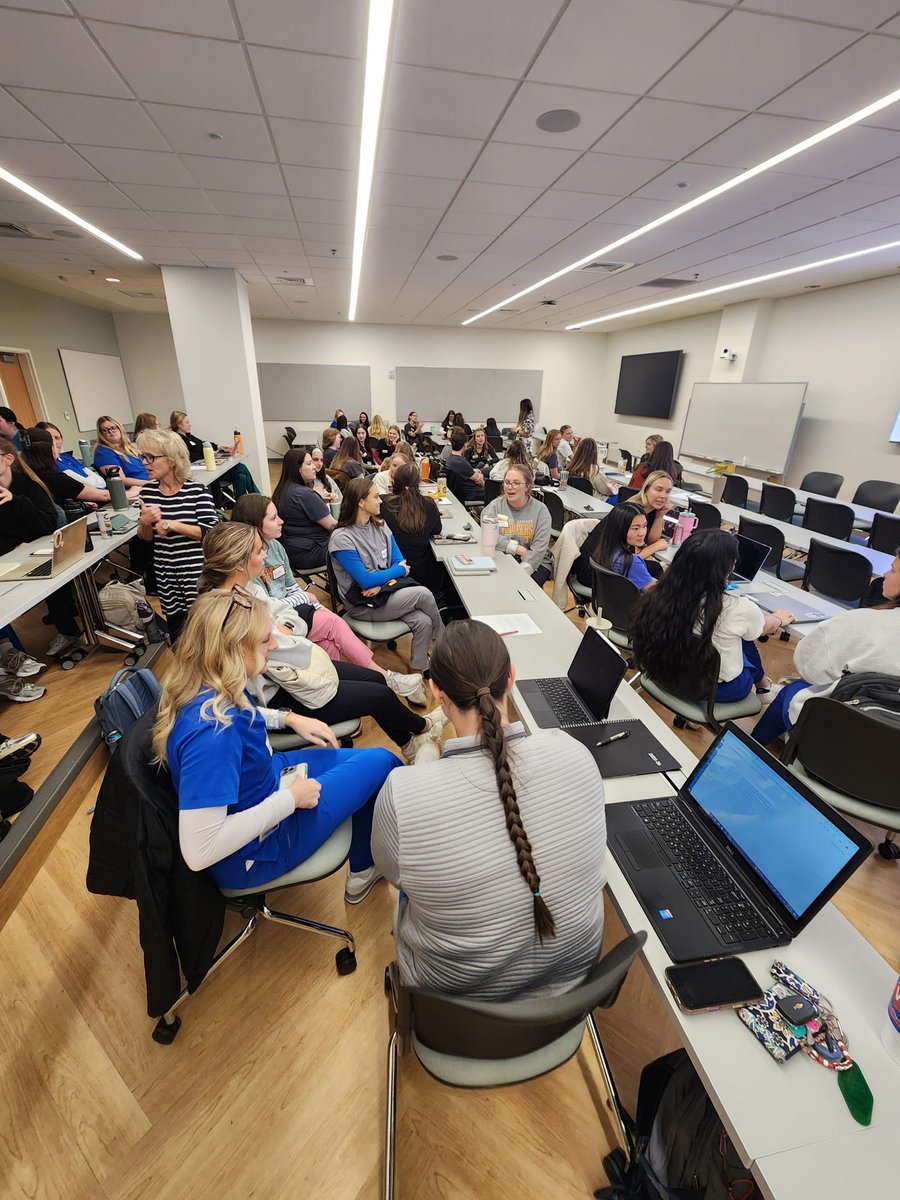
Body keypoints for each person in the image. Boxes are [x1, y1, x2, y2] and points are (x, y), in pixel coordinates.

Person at [371, 620, 607, 997]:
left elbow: (392, 873)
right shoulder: (576, 754)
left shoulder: (402, 794)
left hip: (455, 1006)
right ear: (511, 677)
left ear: (437, 691)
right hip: (571, 988)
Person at [153, 588, 401, 904]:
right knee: (382, 763)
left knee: (371, 767)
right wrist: (289, 800)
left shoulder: (209, 684)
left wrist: (288, 718)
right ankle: (369, 869)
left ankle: (364, 868)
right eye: (264, 640)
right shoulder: (213, 736)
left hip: (268, 783)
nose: (273, 645)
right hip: (257, 849)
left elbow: (245, 712)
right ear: (235, 650)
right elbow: (199, 851)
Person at [198, 523, 446, 764]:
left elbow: (290, 614)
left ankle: (409, 744)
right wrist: (284, 632)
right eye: (258, 551)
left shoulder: (249, 589)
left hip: (296, 668)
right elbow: (278, 651)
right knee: (380, 696)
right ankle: (424, 727)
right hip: (280, 692)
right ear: (240, 564)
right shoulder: (227, 615)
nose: (265, 554)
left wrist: (286, 628)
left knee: (376, 679)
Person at [232, 493, 427, 694]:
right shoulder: (248, 566)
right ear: (254, 526)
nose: (281, 521)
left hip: (292, 613)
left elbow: (291, 587)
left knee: (329, 642)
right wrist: (307, 598)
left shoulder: (276, 547)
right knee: (334, 623)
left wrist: (313, 604)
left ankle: (335, 688)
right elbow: (268, 606)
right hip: (277, 623)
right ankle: (385, 678)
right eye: (273, 518)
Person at [753, 551, 900, 745]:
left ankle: (750, 746)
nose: (885, 574)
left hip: (838, 731)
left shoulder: (863, 621)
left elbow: (809, 668)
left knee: (794, 689)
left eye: (893, 570)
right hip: (889, 746)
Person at [631, 529, 793, 703]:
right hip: (711, 688)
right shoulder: (739, 608)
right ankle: (764, 686)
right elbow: (763, 629)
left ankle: (764, 686)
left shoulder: (660, 593)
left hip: (660, 672)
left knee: (735, 637)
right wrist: (778, 619)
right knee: (746, 643)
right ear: (729, 567)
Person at [329, 476, 445, 672]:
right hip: (363, 604)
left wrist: (381, 583)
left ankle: (417, 674)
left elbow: (399, 560)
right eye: (376, 497)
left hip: (385, 593)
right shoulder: (342, 538)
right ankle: (446, 647)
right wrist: (395, 572)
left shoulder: (381, 525)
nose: (381, 501)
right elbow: (369, 579)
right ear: (361, 502)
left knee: (424, 621)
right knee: (423, 594)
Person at [0, 437, 80, 662]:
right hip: (9, 558)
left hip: (42, 550)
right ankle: (9, 651)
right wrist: (11, 548)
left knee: (52, 570)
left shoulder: (30, 486)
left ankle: (69, 630)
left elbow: (48, 523)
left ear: (8, 459)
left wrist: (16, 500)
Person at [135, 428, 218, 639]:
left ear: (171, 461)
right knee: (177, 631)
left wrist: (172, 525)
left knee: (204, 628)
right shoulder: (147, 492)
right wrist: (144, 523)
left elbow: (211, 532)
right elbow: (146, 538)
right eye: (143, 456)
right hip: (166, 573)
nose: (145, 463)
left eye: (151, 457)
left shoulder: (196, 491)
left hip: (196, 573)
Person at [381, 461, 454, 601]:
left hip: (390, 573)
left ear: (395, 482)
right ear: (418, 483)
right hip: (423, 576)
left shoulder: (384, 505)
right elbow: (437, 530)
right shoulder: (428, 505)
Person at [481, 464, 552, 587]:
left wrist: (520, 573)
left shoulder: (541, 511)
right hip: (504, 558)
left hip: (536, 563)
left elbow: (539, 550)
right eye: (507, 482)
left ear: (527, 486)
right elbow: (488, 536)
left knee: (519, 588)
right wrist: (517, 548)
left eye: (516, 483)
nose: (510, 487)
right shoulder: (495, 506)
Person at [168, 410, 259, 499]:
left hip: (208, 468)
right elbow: (191, 456)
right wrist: (205, 453)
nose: (190, 424)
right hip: (202, 474)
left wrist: (220, 447)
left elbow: (204, 443)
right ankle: (258, 497)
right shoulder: (177, 440)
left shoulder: (189, 436)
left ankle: (244, 503)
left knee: (241, 477)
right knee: (241, 468)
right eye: (187, 422)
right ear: (179, 424)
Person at [273, 447, 336, 573]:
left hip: (294, 552)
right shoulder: (305, 495)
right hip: (311, 552)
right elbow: (334, 526)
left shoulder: (282, 490)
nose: (314, 467)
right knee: (355, 544)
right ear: (298, 469)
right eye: (309, 463)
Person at [21, 426, 117, 509]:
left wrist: (81, 503)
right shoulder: (54, 478)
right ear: (49, 450)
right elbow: (104, 496)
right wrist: (125, 493)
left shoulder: (23, 474)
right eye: (54, 445)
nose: (57, 448)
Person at [575, 502, 657, 591]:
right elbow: (657, 593)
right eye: (635, 528)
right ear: (620, 528)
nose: (642, 533)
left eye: (644, 526)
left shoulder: (603, 549)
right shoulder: (632, 563)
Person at [36, 421, 108, 491]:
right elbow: (87, 485)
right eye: (49, 438)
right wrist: (91, 480)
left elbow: (102, 481)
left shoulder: (66, 457)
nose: (54, 442)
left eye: (57, 438)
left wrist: (92, 481)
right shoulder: (52, 464)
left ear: (62, 440)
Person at [93, 416, 151, 487]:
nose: (110, 432)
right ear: (101, 434)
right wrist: (151, 484)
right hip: (137, 488)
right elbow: (120, 480)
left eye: (113, 428)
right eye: (105, 430)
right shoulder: (103, 453)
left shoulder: (131, 447)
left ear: (119, 428)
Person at [634, 471, 676, 562]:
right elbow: (628, 559)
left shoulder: (653, 511)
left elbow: (651, 542)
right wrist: (656, 546)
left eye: (668, 491)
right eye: (658, 490)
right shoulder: (633, 513)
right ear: (646, 490)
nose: (663, 496)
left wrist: (659, 516)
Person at [444, 428, 485, 502]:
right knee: (493, 489)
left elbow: (466, 472)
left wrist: (474, 471)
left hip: (461, 490)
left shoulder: (450, 459)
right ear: (464, 444)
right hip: (471, 493)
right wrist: (482, 479)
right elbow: (480, 482)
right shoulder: (462, 462)